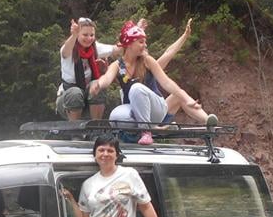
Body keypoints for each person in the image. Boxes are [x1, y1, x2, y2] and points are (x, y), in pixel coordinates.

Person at [89, 20, 217, 145]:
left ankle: (206, 120)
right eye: (141, 42)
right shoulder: (118, 65)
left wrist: (187, 98)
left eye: (145, 43)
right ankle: (149, 129)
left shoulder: (148, 62)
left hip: (156, 109)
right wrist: (98, 84)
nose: (145, 46)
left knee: (138, 89)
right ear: (129, 44)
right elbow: (107, 78)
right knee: (115, 116)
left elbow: (167, 77)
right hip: (135, 113)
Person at [56, 17, 117, 121]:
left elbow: (116, 49)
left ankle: (96, 128)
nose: (89, 38)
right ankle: (75, 131)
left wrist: (135, 32)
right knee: (75, 93)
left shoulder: (94, 47)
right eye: (85, 35)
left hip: (88, 99)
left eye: (91, 35)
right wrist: (74, 35)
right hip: (67, 100)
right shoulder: (69, 48)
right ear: (78, 34)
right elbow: (65, 52)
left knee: (97, 85)